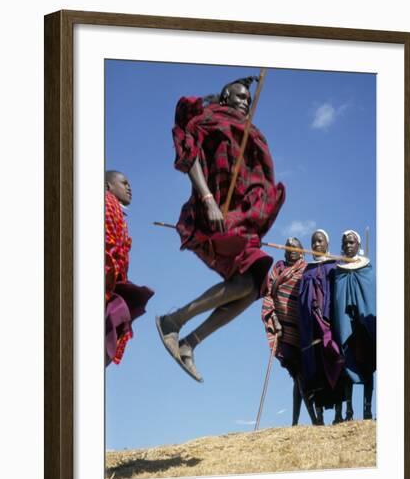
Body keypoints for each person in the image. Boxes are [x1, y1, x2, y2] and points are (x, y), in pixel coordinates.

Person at [156, 76, 285, 382]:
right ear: (226, 96)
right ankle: (173, 321)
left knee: (252, 288)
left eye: (248, 100)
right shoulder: (209, 120)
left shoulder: (250, 132)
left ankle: (187, 341)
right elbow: (190, 157)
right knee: (250, 278)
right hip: (215, 212)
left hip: (241, 217)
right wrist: (208, 198)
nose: (245, 102)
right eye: (239, 96)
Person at [261, 237, 317, 425]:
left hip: (303, 329)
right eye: (288, 248)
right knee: (297, 373)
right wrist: (275, 319)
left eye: (295, 248)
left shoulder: (307, 270)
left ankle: (296, 421)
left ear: (302, 251)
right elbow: (268, 295)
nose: (291, 250)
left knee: (299, 377)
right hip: (283, 330)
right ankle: (312, 419)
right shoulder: (277, 269)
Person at [105, 170, 154, 367]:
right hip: (107, 282)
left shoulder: (116, 210)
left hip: (111, 283)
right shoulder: (107, 203)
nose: (129, 187)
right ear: (108, 186)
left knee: (117, 323)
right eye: (124, 183)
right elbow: (107, 246)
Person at [298, 229, 346, 425]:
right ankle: (319, 416)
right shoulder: (307, 270)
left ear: (327, 244)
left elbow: (340, 293)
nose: (316, 245)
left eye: (320, 242)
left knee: (336, 362)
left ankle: (338, 413)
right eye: (313, 242)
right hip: (312, 328)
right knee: (315, 369)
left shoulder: (336, 265)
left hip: (331, 324)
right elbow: (301, 299)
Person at [333, 230, 376, 420]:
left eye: (351, 243)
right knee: (346, 365)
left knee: (367, 365)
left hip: (363, 326)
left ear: (358, 245)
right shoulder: (338, 271)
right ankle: (349, 410)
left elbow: (371, 295)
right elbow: (336, 298)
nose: (348, 246)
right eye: (345, 243)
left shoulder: (367, 269)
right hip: (346, 325)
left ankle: (367, 409)